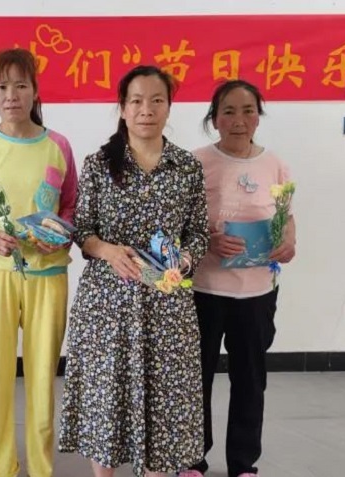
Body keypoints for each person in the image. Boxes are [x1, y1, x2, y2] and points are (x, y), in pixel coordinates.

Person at [58, 65, 208, 477]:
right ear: (122, 108)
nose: (147, 110)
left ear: (169, 107)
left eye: (157, 100)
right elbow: (82, 231)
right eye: (137, 101)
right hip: (108, 304)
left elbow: (199, 233)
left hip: (167, 304)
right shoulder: (98, 164)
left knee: (164, 400)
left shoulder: (186, 167)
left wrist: (184, 259)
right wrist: (107, 250)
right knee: (107, 397)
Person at [0, 48, 78, 477]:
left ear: (35, 91)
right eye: (2, 87)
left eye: (21, 85)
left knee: (43, 377)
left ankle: (42, 467)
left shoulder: (58, 145)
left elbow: (71, 206)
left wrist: (57, 233)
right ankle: (1, 467)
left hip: (48, 274)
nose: (12, 95)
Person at [181, 79, 296, 477]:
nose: (239, 120)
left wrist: (289, 240)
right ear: (214, 119)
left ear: (258, 117)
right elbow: (180, 224)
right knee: (195, 379)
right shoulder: (194, 163)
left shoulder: (275, 165)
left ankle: (244, 463)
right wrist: (208, 241)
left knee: (250, 380)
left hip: (257, 294)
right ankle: (192, 460)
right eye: (228, 111)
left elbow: (286, 216)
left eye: (248, 111)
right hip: (204, 291)